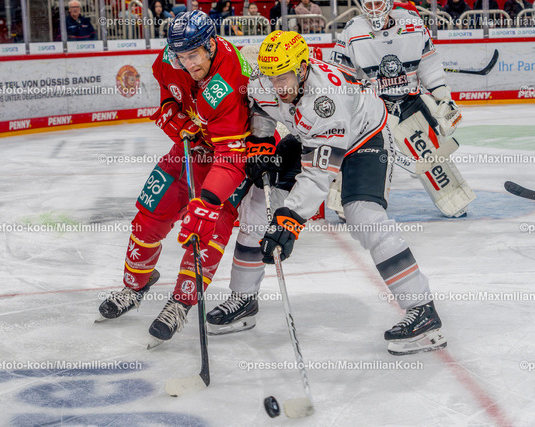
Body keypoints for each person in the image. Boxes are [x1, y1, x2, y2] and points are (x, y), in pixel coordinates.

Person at [207, 31, 447, 356]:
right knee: (258, 205)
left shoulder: (326, 101)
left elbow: (319, 175)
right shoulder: (265, 81)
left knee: (364, 216)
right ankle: (243, 299)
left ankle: (423, 310)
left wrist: (290, 219)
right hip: (310, 137)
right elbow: (262, 109)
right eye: (271, 78)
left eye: (283, 78)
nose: (278, 86)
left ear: (302, 68)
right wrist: (262, 142)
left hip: (364, 136)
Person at [97, 11, 252, 348]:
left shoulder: (231, 79)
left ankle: (181, 303)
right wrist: (175, 119)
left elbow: (231, 157)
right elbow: (169, 96)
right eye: (181, 56)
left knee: (209, 230)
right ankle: (135, 287)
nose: (187, 63)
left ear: (211, 45)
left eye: (193, 55)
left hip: (229, 158)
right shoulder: (171, 58)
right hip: (188, 150)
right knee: (149, 214)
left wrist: (208, 204)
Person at [330, 0, 475, 218]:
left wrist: (444, 98)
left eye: (378, 3)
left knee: (431, 157)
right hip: (375, 108)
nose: (374, 9)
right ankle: (348, 201)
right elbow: (340, 75)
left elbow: (430, 66)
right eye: (369, 4)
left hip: (409, 103)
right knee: (364, 156)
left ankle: (452, 198)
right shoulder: (353, 30)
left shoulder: (413, 24)